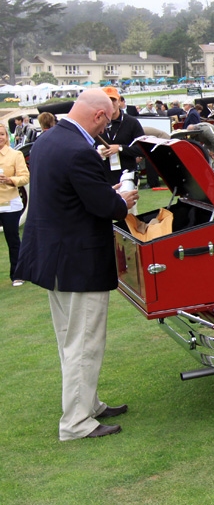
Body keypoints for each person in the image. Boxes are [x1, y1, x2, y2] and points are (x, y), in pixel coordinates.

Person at [14, 89, 139, 441]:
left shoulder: (48, 140)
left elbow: (69, 195)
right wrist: (121, 200)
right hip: (77, 261)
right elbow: (103, 207)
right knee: (83, 342)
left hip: (53, 257)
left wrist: (104, 193)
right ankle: (76, 422)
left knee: (71, 339)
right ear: (98, 116)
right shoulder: (77, 150)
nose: (107, 130)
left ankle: (89, 403)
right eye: (108, 121)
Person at [0, 121, 29, 286]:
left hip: (10, 203)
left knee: (12, 239)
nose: (0, 138)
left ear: (6, 136)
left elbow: (25, 177)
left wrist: (10, 180)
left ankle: (18, 274)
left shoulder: (15, 155)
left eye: (2, 134)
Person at [99, 86, 146, 187]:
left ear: (119, 101)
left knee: (126, 202)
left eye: (113, 100)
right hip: (102, 176)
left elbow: (142, 149)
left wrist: (120, 148)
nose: (110, 103)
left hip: (126, 175)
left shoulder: (131, 122)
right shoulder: (96, 123)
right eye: (107, 100)